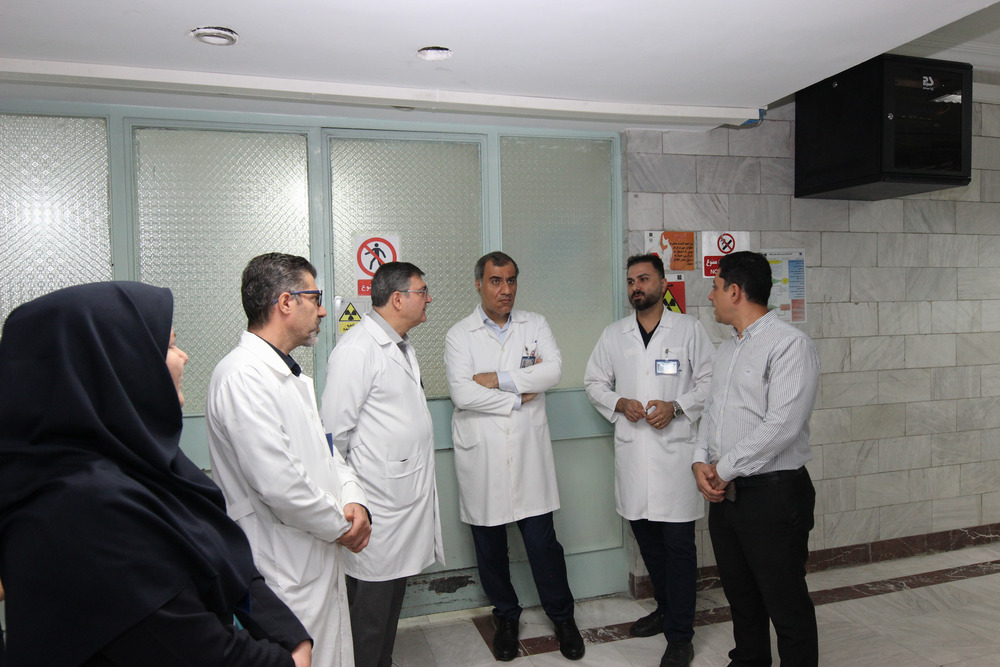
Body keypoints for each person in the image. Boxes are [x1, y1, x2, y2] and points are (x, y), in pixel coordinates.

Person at [0, 282, 312, 667]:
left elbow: (228, 559)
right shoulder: (81, 508)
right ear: (116, 364)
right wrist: (290, 661)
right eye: (169, 346)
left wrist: (290, 634)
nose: (183, 356)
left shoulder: (147, 461)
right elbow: (191, 648)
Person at [206, 253, 371, 667]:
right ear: (285, 302)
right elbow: (280, 485)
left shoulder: (288, 375)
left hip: (312, 552)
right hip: (283, 566)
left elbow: (326, 453)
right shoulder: (242, 376)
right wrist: (341, 526)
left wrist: (354, 499)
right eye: (315, 298)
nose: (322, 311)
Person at [444, 252, 585, 662]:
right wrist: (518, 397)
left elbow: (552, 371)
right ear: (479, 284)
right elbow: (462, 393)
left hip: (528, 454)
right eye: (495, 281)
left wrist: (497, 379)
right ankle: (506, 616)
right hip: (483, 455)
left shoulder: (534, 324)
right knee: (490, 549)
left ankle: (563, 618)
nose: (505, 290)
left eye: (511, 280)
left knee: (543, 545)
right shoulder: (460, 335)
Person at [584, 253, 714, 667]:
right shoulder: (614, 334)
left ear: (662, 283)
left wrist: (677, 406)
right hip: (634, 457)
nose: (636, 287)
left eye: (643, 279)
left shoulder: (688, 329)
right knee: (650, 545)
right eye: (630, 281)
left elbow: (711, 382)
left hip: (676, 457)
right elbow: (593, 382)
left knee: (678, 549)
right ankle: (665, 609)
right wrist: (619, 402)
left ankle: (680, 635)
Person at [692, 251, 821, 667]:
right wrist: (700, 461)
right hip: (727, 497)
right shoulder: (727, 350)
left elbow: (782, 425)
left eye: (715, 287)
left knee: (785, 602)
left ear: (735, 291)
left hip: (773, 496)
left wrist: (723, 469)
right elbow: (712, 412)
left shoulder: (789, 345)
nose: (710, 296)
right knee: (741, 596)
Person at [321, 261, 444, 667]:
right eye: (422, 292)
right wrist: (347, 500)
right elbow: (332, 437)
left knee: (389, 609)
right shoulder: (356, 350)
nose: (429, 299)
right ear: (397, 299)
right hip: (376, 507)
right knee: (370, 617)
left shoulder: (400, 345)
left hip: (401, 502)